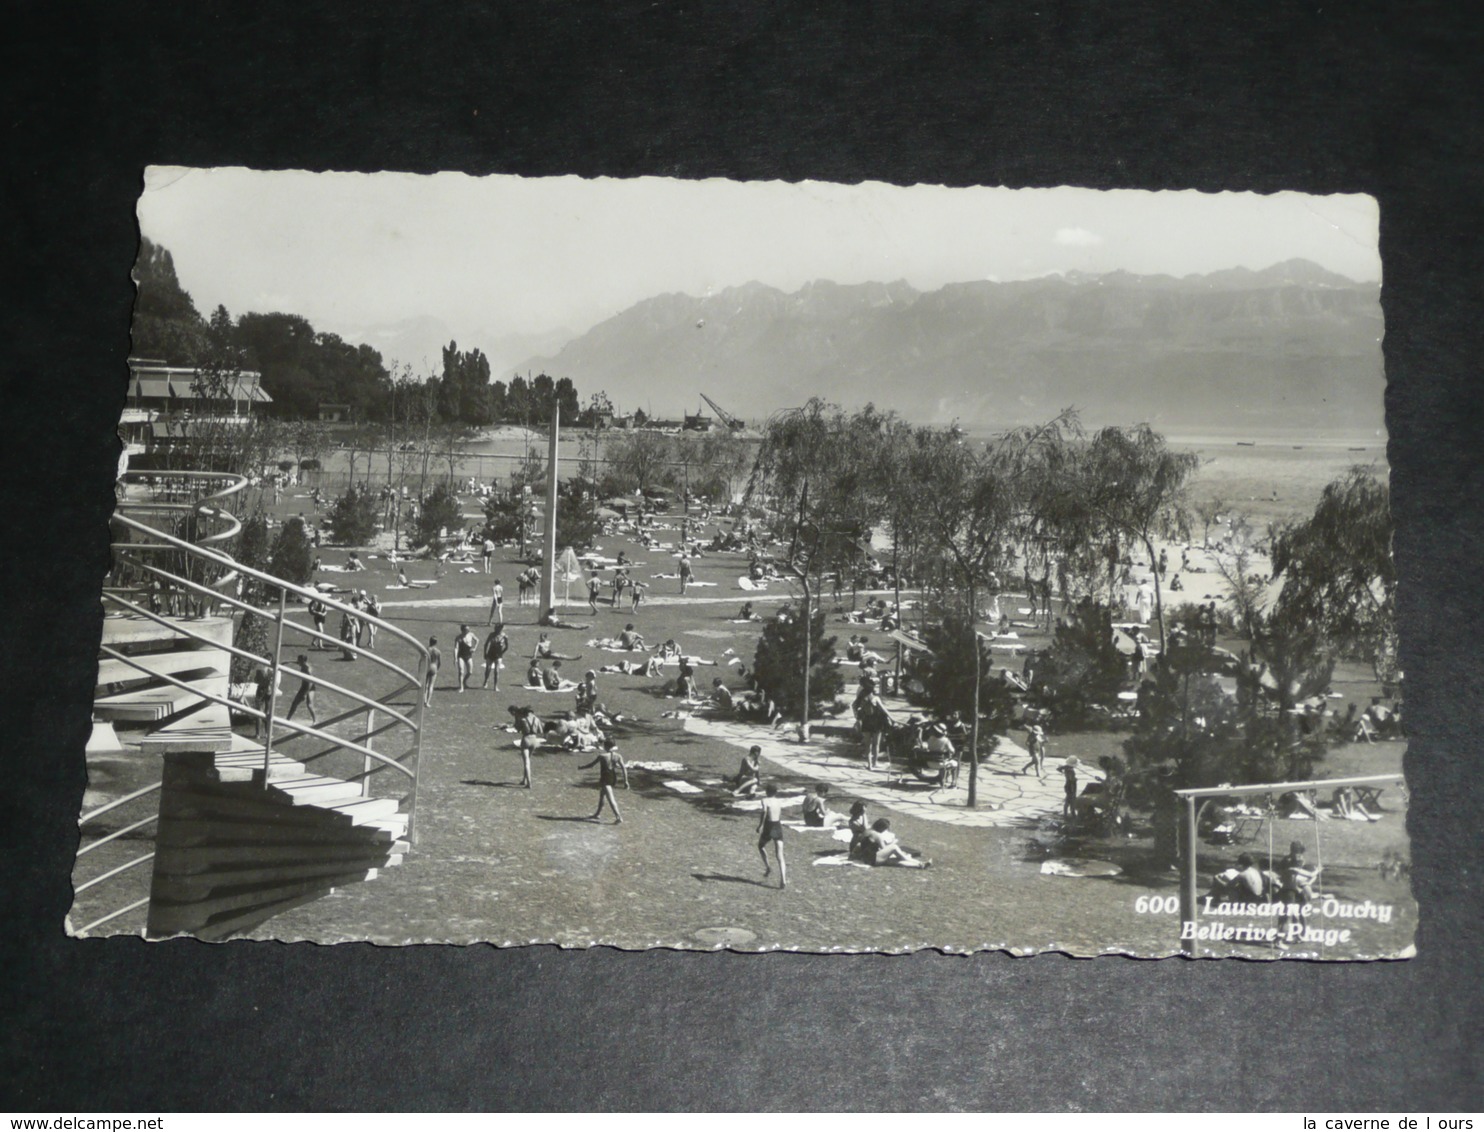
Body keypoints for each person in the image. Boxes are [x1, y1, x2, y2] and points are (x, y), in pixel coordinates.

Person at [580, 737, 629, 823]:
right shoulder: (618, 756)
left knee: (610, 798)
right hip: (613, 777)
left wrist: (582, 767)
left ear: (605, 746)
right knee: (602, 795)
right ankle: (597, 814)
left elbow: (591, 765)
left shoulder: (602, 756)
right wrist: (626, 781)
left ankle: (618, 817)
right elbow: (623, 768)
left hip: (605, 778)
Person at [863, 817, 930, 867]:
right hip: (874, 858)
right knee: (894, 847)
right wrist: (893, 842)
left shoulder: (868, 831)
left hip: (866, 858)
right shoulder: (877, 835)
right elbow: (884, 848)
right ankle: (913, 860)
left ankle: (919, 865)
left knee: (897, 861)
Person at [756, 783, 787, 889]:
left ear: (766, 792)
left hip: (769, 827)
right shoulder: (779, 801)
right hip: (777, 826)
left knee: (761, 846)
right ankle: (783, 879)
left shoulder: (765, 801)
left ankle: (768, 867)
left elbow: (764, 812)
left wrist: (760, 825)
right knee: (780, 855)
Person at [506, 705, 542, 789]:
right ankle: (524, 780)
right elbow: (540, 730)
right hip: (534, 740)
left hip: (526, 739)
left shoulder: (523, 719)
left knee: (526, 762)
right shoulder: (537, 719)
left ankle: (529, 783)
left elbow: (517, 729)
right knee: (529, 759)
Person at [284, 653, 317, 725]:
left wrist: (305, 694)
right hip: (304, 686)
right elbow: (296, 662)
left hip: (309, 687)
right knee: (295, 703)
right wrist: (287, 662)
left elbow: (310, 681)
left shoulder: (308, 669)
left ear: (303, 661)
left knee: (308, 704)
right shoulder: (302, 664)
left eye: (299, 660)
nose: (297, 662)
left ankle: (315, 721)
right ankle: (287, 719)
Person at [481, 625, 509, 691]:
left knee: (497, 671)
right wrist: (485, 653)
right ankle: (486, 681)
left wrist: (502, 653)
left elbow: (507, 646)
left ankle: (495, 686)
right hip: (490, 653)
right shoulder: (491, 635)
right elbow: (486, 644)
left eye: (498, 629)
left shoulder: (504, 636)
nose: (496, 630)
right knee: (488, 669)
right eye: (496, 628)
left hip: (498, 655)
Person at [454, 624, 478, 692]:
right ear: (462, 630)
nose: (468, 631)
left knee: (470, 672)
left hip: (468, 655)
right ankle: (461, 687)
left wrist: (475, 648)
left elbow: (477, 640)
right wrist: (455, 658)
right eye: (466, 630)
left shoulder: (471, 635)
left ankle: (464, 681)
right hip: (461, 655)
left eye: (468, 629)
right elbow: (456, 648)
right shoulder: (458, 638)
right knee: (461, 671)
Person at [1060, 756, 1080, 821]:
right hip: (1071, 786)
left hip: (1067, 785)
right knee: (1071, 800)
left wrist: (1063, 771)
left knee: (1068, 800)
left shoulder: (1066, 768)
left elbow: (1059, 768)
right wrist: (1075, 779)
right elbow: (1071, 779)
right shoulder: (1071, 770)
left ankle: (1066, 813)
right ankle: (1072, 813)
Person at [423, 637, 441, 707]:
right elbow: (439, 662)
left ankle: (424, 700)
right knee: (431, 685)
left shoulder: (426, 650)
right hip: (434, 666)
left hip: (427, 666)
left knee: (425, 685)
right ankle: (428, 702)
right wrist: (437, 669)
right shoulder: (438, 651)